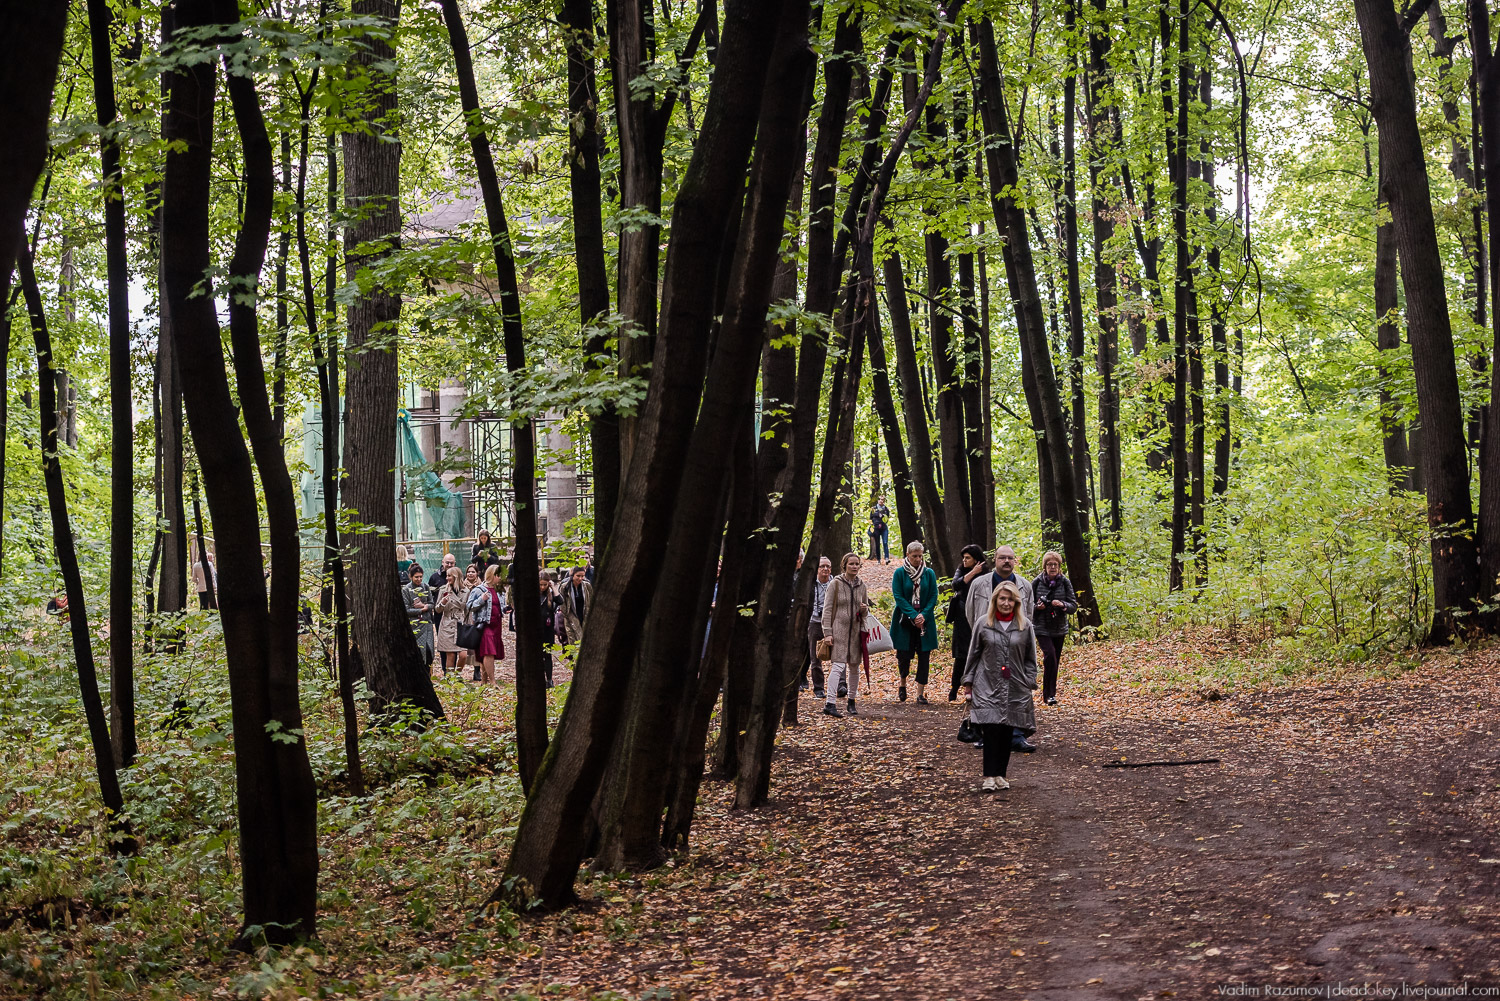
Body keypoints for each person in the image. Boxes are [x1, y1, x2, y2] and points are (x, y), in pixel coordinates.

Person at [960, 580, 1039, 791]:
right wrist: (968, 682)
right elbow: (973, 654)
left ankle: (1001, 775)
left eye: (1010, 599)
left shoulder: (1024, 625)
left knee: (1007, 731)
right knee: (991, 730)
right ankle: (989, 776)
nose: (1006, 603)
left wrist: (1029, 680)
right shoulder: (983, 623)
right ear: (995, 600)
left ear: (1016, 603)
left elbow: (1031, 658)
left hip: (1015, 686)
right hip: (987, 683)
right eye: (1002, 599)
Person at [965, 545, 1038, 753]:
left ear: (1015, 561)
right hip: (989, 644)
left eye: (1010, 558)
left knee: (1015, 692)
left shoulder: (1025, 586)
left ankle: (1016, 735)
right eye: (1002, 557)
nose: (1006, 561)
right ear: (994, 559)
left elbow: (1029, 614)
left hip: (1016, 645)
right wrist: (987, 634)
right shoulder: (979, 584)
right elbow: (970, 612)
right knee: (988, 691)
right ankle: (987, 733)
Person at [820, 553, 868, 718]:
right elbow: (827, 609)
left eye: (857, 564)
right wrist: (827, 632)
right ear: (844, 565)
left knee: (854, 666)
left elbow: (865, 611)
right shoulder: (835, 583)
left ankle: (851, 701)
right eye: (851, 564)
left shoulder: (862, 585)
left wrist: (864, 609)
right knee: (838, 666)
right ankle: (830, 703)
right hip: (838, 631)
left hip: (855, 633)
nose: (854, 567)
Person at [891, 540, 938, 704]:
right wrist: (913, 615)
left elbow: (933, 596)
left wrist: (923, 615)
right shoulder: (899, 573)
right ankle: (903, 683)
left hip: (925, 621)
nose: (918, 559)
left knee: (924, 655)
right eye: (914, 556)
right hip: (904, 620)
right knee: (904, 655)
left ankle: (920, 693)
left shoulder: (929, 573)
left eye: (920, 556)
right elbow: (898, 596)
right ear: (908, 555)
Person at [1031, 550, 1078, 705]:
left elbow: (1073, 606)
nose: (1052, 567)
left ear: (1059, 566)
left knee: (1055, 660)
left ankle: (1050, 694)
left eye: (1055, 564)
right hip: (1041, 626)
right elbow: (1027, 605)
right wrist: (1037, 607)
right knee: (1049, 655)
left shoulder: (1065, 582)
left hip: (1059, 627)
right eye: (1049, 564)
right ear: (1044, 566)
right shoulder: (1036, 582)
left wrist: (1062, 604)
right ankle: (1047, 694)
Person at [949, 544, 987, 701]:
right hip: (962, 616)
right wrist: (973, 572)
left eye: (968, 558)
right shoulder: (962, 570)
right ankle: (954, 688)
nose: (964, 560)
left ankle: (974, 688)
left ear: (976, 559)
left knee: (978, 652)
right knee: (961, 655)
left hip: (980, 614)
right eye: (963, 558)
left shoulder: (986, 573)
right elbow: (956, 584)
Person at [467, 565, 506, 683]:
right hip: (484, 625)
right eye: (498, 575)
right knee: (488, 652)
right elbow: (469, 606)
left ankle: (484, 681)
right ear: (492, 575)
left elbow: (501, 606)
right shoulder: (478, 590)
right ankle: (493, 681)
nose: (500, 578)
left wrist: (506, 609)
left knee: (486, 652)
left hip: (496, 625)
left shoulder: (500, 590)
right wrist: (481, 599)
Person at [803, 556, 833, 697]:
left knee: (838, 656)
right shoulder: (809, 583)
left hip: (833, 623)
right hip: (814, 622)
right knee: (815, 658)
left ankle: (841, 686)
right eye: (822, 566)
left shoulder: (835, 584)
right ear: (817, 568)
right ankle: (819, 688)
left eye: (828, 566)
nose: (825, 569)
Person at [434, 566, 470, 677]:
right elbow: (437, 610)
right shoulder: (443, 590)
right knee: (451, 655)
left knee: (463, 655)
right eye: (447, 576)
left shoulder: (466, 591)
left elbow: (467, 611)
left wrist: (469, 626)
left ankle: (457, 675)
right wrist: (443, 602)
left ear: (456, 576)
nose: (447, 578)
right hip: (447, 624)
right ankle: (450, 679)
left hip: (460, 624)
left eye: (449, 576)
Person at [402, 563, 436, 671]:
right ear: (411, 577)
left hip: (427, 624)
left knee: (429, 651)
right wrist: (421, 610)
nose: (419, 579)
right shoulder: (406, 590)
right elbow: (406, 610)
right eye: (416, 577)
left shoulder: (425, 587)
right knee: (418, 652)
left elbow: (432, 603)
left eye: (421, 577)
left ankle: (428, 673)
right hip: (415, 625)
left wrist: (425, 606)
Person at [562, 566, 592, 644]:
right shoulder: (565, 587)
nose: (580, 578)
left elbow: (591, 600)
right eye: (578, 576)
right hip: (570, 616)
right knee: (573, 640)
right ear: (573, 575)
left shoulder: (587, 586)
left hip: (584, 615)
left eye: (582, 576)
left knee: (585, 639)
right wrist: (567, 615)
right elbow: (562, 604)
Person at [191, 543, 217, 609]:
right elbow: (212, 576)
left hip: (200, 588)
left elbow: (193, 579)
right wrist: (214, 587)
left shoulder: (195, 565)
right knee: (209, 605)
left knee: (202, 604)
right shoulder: (209, 564)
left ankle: (201, 614)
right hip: (209, 587)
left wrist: (198, 582)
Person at [869, 495, 892, 564]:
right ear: (878, 500)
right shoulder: (874, 509)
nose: (881, 501)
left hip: (884, 528)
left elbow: (887, 518)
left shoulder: (886, 509)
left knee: (885, 542)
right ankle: (878, 559)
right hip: (876, 528)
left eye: (883, 500)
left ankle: (887, 558)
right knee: (877, 544)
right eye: (880, 499)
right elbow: (870, 518)